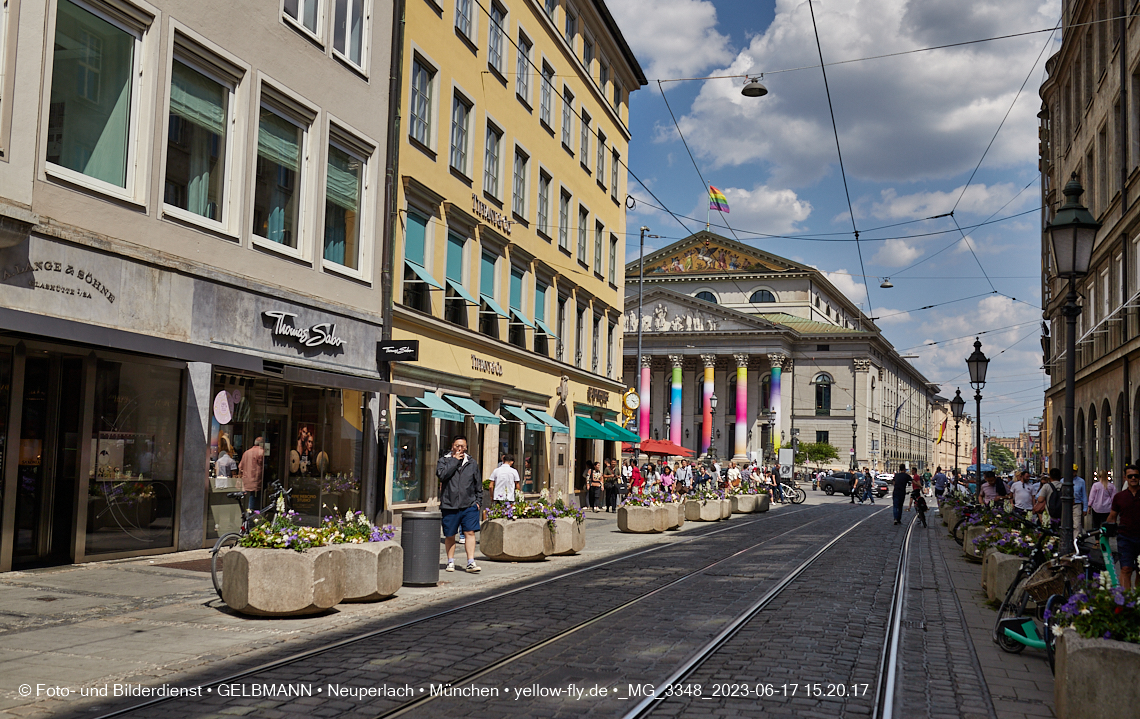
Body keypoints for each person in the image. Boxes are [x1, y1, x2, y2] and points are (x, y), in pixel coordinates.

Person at [436, 436, 482, 573]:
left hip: (469, 505)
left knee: (469, 532)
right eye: (457, 446)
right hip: (449, 505)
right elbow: (442, 476)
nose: (460, 449)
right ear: (452, 446)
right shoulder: (444, 461)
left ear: (466, 447)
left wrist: (478, 502)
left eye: (462, 446)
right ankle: (450, 562)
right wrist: (454, 461)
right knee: (450, 535)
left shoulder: (472, 463)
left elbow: (477, 483)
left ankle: (471, 562)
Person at [1107, 465, 1140, 590]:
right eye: (1130, 476)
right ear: (1125, 477)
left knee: (1139, 570)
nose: (1133, 478)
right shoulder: (1119, 497)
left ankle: (1137, 599)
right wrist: (1104, 531)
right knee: (1126, 568)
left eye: (1136, 476)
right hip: (1125, 537)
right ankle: (1126, 602)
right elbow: (1112, 516)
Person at [238, 436, 265, 512]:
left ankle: (246, 515)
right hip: (255, 481)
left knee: (247, 498)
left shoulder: (246, 452)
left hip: (246, 481)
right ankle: (251, 518)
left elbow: (240, 467)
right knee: (254, 499)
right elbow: (262, 465)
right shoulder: (260, 452)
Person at [1072, 468, 1088, 532]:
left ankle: (1075, 540)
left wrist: (1085, 508)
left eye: (1074, 471)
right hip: (1066, 505)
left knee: (1077, 524)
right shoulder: (1062, 480)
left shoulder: (1081, 481)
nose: (1073, 472)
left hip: (1077, 504)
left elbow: (1084, 495)